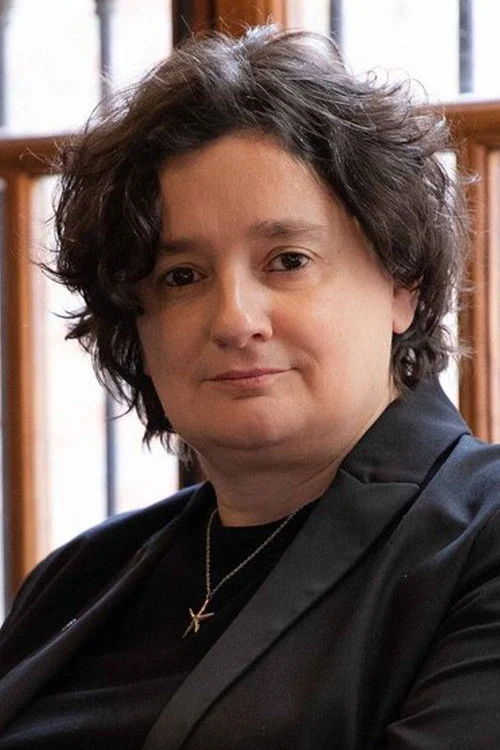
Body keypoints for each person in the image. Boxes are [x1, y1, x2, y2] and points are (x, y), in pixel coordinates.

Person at [0, 24, 499, 750]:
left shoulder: (479, 541)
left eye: (287, 260)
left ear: (403, 283)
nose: (234, 319)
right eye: (182, 277)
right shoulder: (78, 576)